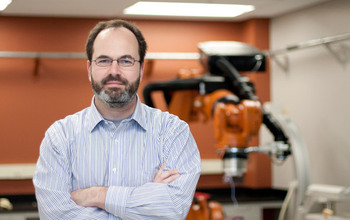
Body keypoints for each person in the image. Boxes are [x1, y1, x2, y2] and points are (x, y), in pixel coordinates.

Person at [33, 19, 201, 220]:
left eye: (126, 60)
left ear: (140, 69)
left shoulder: (173, 132)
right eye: (103, 60)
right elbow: (54, 215)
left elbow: (173, 209)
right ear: (89, 69)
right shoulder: (60, 137)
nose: (114, 71)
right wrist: (147, 200)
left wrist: (95, 195)